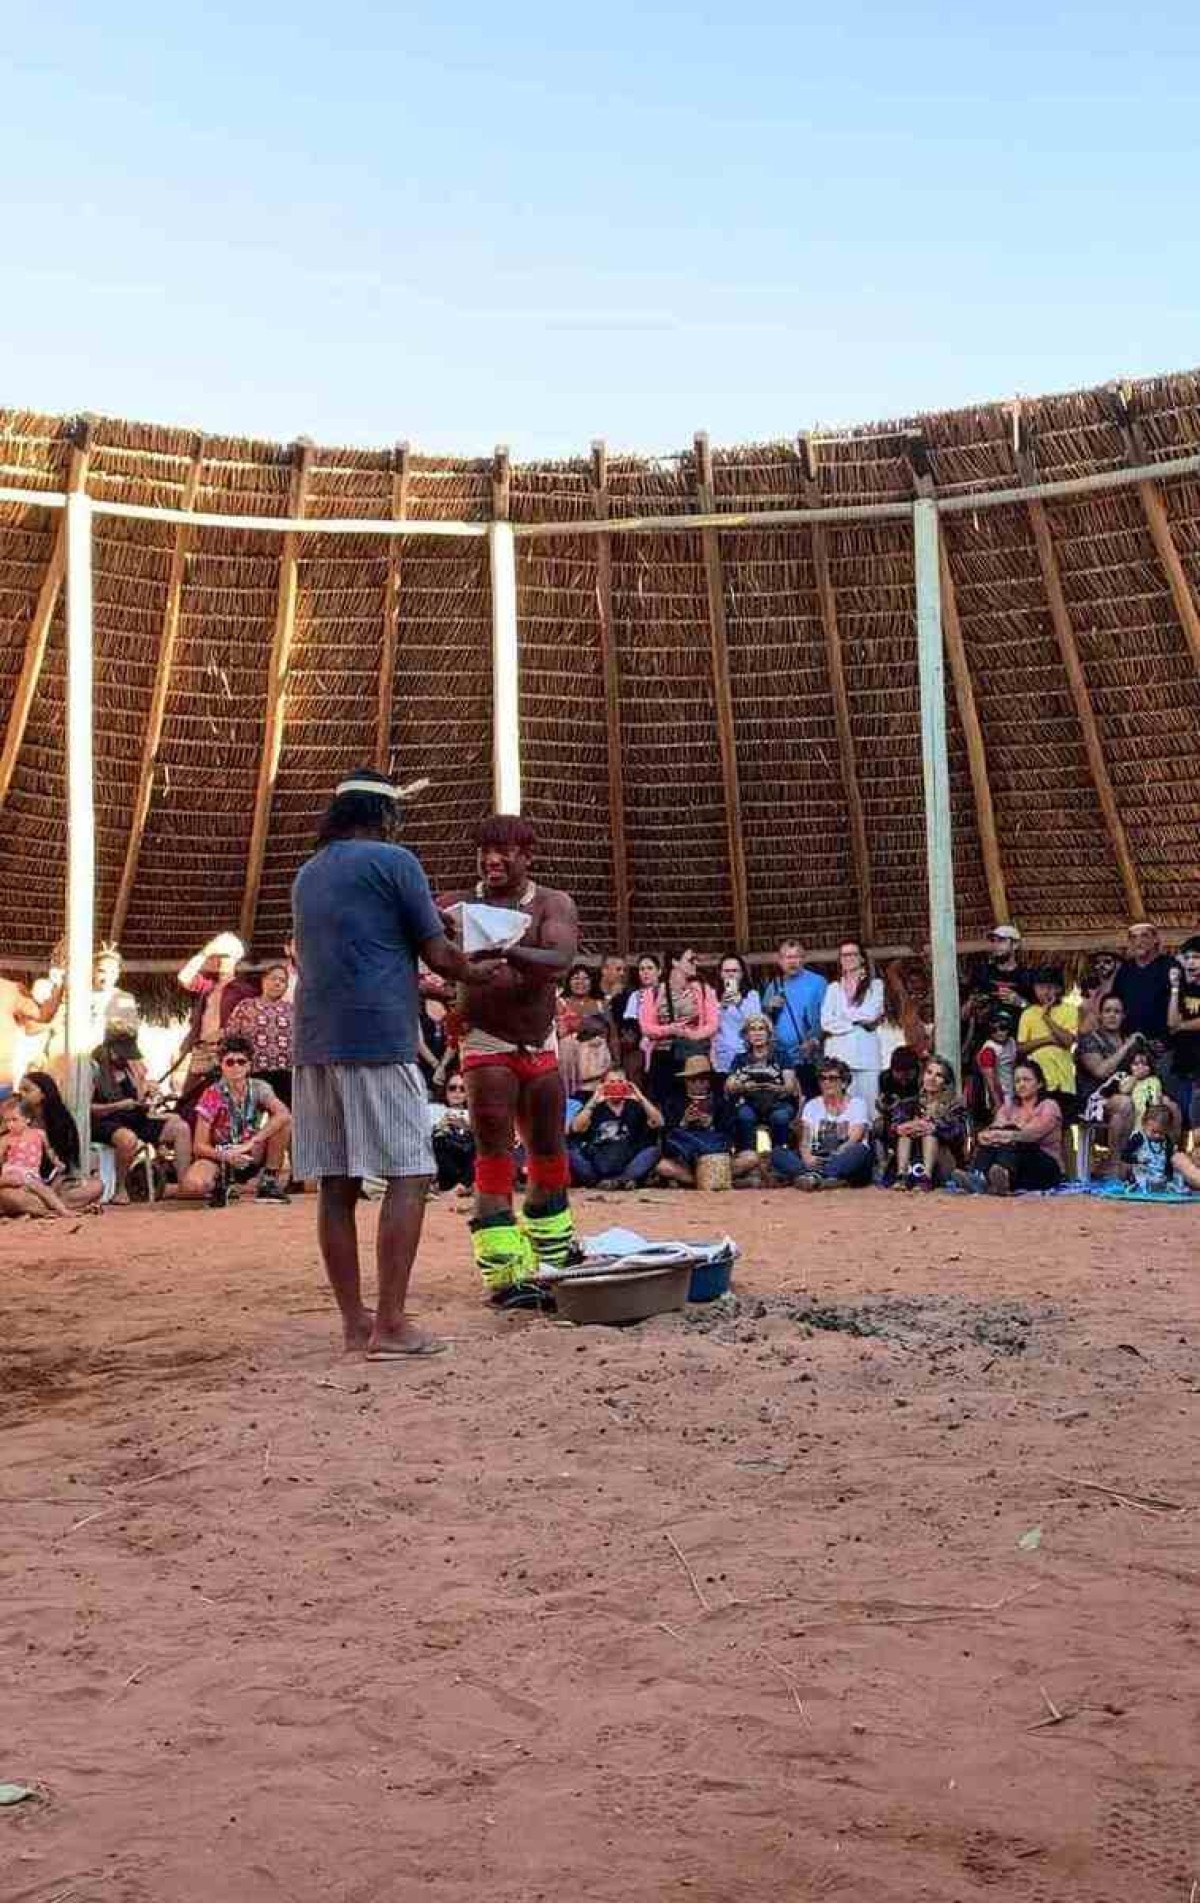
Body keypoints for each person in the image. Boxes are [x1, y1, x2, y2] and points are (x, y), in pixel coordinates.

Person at [291, 770, 503, 1353]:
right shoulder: (396, 862)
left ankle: (354, 1322)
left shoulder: (309, 874)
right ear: (385, 817)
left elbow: (362, 955)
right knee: (410, 1172)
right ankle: (391, 1323)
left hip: (314, 1041)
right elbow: (438, 952)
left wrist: (426, 985)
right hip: (376, 1039)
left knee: (337, 1182)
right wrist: (475, 970)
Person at [440, 812, 581, 1298]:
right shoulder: (457, 906)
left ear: (527, 856)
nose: (491, 859)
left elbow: (559, 961)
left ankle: (556, 1257)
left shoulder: (551, 904)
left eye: (504, 851)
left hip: (539, 1039)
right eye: (485, 850)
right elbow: (422, 950)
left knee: (548, 1149)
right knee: (494, 1149)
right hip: (486, 1040)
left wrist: (500, 946)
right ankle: (503, 1271)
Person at [175, 1035, 292, 1206]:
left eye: (241, 1061)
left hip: (250, 1151)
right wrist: (226, 1155)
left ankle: (269, 1181)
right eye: (230, 1062)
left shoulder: (259, 1087)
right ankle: (220, 1185)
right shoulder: (212, 1094)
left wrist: (252, 1142)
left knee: (284, 1122)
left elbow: (283, 1113)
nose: (236, 1067)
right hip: (221, 1155)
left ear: (249, 1065)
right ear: (221, 1065)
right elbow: (199, 1146)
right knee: (194, 1185)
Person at [91, 1028, 193, 1202]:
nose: (126, 1058)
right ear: (110, 1049)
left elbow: (139, 1098)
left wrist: (147, 1091)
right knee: (127, 1139)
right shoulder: (94, 1069)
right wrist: (116, 1106)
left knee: (180, 1128)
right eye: (122, 1054)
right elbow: (88, 1108)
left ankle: (185, 1185)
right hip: (106, 1121)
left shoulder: (130, 1067)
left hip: (134, 1117)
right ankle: (120, 1189)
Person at [0, 1072, 104, 1216]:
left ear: (44, 1094)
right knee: (10, 1196)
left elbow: (64, 1165)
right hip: (16, 1184)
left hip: (49, 1185)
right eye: (20, 1090)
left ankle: (45, 1207)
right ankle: (57, 1208)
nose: (22, 1094)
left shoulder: (62, 1123)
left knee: (96, 1186)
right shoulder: (10, 1121)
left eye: (27, 1090)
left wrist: (55, 1183)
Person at [955, 1058, 1063, 1195]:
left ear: (1039, 1083)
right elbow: (993, 1130)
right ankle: (980, 1177)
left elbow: (1030, 1135)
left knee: (1014, 1138)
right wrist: (986, 1136)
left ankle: (1001, 1177)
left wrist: (1006, 1134)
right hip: (1017, 1168)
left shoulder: (1049, 1106)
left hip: (1044, 1166)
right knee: (995, 1141)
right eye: (1017, 1081)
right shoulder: (1009, 1107)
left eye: (1026, 1080)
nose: (1021, 1085)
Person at [639, 947, 719, 1121]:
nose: (695, 963)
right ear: (675, 962)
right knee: (666, 1104)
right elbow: (646, 1027)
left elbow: (713, 1024)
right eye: (690, 959)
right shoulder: (652, 993)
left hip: (694, 1055)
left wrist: (693, 1035)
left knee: (696, 1102)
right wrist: (670, 1029)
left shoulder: (704, 990)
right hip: (663, 1056)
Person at [177, 933, 258, 1099]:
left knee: (226, 1098)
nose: (221, 961)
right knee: (189, 1098)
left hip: (227, 1050)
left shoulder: (245, 990)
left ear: (235, 960)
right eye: (219, 957)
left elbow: (251, 1022)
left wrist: (225, 1032)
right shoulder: (207, 987)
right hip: (202, 1048)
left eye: (226, 957)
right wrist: (206, 952)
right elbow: (184, 977)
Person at [775, 1057, 872, 1190]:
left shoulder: (857, 1104)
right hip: (817, 1158)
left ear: (844, 1083)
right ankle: (826, 1179)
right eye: (822, 1078)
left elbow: (854, 1138)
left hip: (843, 1156)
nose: (826, 1082)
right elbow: (805, 1139)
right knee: (778, 1153)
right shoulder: (812, 1105)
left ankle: (813, 1177)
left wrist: (834, 1157)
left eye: (832, 1078)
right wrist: (807, 1157)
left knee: (860, 1150)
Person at [724, 1013, 799, 1180]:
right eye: (752, 1029)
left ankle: (780, 1163)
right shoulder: (740, 1059)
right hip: (750, 1101)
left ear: (769, 1033)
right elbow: (729, 1086)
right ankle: (749, 1163)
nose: (757, 1033)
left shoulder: (781, 1056)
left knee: (780, 1116)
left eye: (761, 1029)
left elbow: (790, 1086)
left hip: (777, 1101)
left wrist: (774, 1087)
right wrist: (743, 1086)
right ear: (746, 1035)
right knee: (744, 1115)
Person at [1076, 995, 1141, 1173]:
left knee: (1168, 1106)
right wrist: (1126, 1046)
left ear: (1123, 1016)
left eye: (1117, 1011)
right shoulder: (1090, 1039)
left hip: (1127, 1094)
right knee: (1124, 1104)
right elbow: (1100, 1071)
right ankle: (1116, 1164)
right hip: (1094, 1099)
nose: (1112, 1015)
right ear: (1100, 1015)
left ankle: (1159, 1165)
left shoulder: (1130, 1040)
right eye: (1107, 1011)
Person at [568, 1068, 664, 1188]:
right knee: (571, 1153)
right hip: (597, 1163)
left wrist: (640, 1097)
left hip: (628, 1161)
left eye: (620, 1082)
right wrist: (594, 1099)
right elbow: (576, 1128)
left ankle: (620, 1180)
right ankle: (612, 1182)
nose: (616, 1086)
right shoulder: (594, 1106)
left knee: (653, 1151)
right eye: (611, 1082)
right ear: (603, 1085)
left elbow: (659, 1122)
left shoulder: (635, 1106)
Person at [821, 940, 885, 1115]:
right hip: (840, 1056)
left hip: (867, 1058)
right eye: (844, 955)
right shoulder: (833, 988)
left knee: (870, 1110)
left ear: (862, 958)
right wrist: (856, 1023)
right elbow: (826, 1022)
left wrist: (841, 1020)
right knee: (841, 1109)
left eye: (853, 954)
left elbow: (871, 1014)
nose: (848, 958)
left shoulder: (875, 985)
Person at [890, 1054, 970, 1190]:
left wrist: (934, 1127)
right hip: (912, 1158)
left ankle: (926, 1178)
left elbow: (959, 1132)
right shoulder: (909, 1103)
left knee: (930, 1133)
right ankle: (901, 1177)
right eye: (929, 1073)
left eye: (939, 1075)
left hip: (943, 1160)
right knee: (906, 1131)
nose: (932, 1078)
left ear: (946, 1082)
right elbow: (893, 1126)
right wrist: (906, 1126)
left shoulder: (955, 1106)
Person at [654, 1056, 731, 1187]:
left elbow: (729, 1130)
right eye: (693, 1080)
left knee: (750, 1158)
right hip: (686, 1155)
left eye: (702, 1080)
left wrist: (710, 1123)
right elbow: (666, 1131)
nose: (698, 1084)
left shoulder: (720, 1101)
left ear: (709, 1081)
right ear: (685, 1081)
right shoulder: (673, 1101)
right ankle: (709, 1179)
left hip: (714, 1154)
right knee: (663, 1167)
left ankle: (703, 1179)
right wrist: (684, 1122)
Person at [760, 939, 824, 1093]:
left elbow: (827, 1016)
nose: (792, 962)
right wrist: (769, 1008)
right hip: (781, 1058)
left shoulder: (818, 982)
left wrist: (815, 1040)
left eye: (796, 957)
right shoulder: (774, 985)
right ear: (780, 961)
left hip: (808, 1056)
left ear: (804, 958)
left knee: (810, 1101)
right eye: (787, 957)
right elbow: (762, 1021)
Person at [227, 962, 294, 1107]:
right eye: (273, 978)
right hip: (254, 1073)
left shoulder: (292, 1010)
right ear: (263, 981)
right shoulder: (246, 1006)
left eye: (282, 981)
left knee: (285, 1117)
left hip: (284, 1074)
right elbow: (231, 1036)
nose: (277, 983)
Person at [1017, 968, 1079, 1123]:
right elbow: (1021, 1048)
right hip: (1037, 1083)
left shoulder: (1069, 1010)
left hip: (1063, 1081)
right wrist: (1048, 1040)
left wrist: (1046, 1017)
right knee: (1038, 1122)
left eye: (1050, 987)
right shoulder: (1029, 1013)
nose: (1045, 992)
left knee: (1064, 1125)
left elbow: (1067, 1041)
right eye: (1041, 987)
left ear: (1058, 989)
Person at [0, 1100, 73, 1216]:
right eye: (7, 1121)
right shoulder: (5, 1139)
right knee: (16, 1182)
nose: (10, 1125)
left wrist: (57, 1162)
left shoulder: (39, 1134)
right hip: (12, 1171)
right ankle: (54, 1211)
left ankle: (61, 1210)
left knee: (43, 1189)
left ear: (27, 1119)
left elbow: (49, 1150)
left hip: (31, 1173)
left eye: (14, 1120)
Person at [1110, 923, 1176, 1050]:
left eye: (1144, 936)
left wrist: (1167, 1040)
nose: (1138, 942)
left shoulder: (1170, 966)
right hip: (1131, 1046)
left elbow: (1181, 1005)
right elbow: (1116, 1005)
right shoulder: (1125, 970)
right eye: (1133, 938)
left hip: (1164, 1047)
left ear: (1155, 939)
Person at [1120, 1101, 1200, 1194]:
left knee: (1177, 1178)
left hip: (1161, 1174)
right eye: (1153, 1131)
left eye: (1161, 1133)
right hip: (1142, 1173)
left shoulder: (1166, 1142)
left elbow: (1168, 1163)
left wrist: (1168, 1177)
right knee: (1140, 1180)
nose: (1157, 1136)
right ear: (1144, 1124)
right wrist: (1137, 1159)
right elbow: (1124, 1156)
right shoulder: (1138, 1138)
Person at [872, 1045, 922, 1182]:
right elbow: (884, 1104)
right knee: (877, 1127)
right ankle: (881, 1163)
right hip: (894, 1118)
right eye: (899, 1073)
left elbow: (923, 1102)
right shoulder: (885, 1078)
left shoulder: (923, 1078)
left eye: (908, 1074)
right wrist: (882, 1106)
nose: (903, 1078)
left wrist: (904, 1102)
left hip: (917, 1117)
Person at [1166, 937, 1200, 1139]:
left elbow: (1177, 1025)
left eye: (1196, 957)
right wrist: (1175, 987)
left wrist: (1182, 1026)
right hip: (1183, 1062)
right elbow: (1171, 1022)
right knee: (1179, 1116)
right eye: (1187, 958)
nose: (1191, 962)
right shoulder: (1181, 990)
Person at [712, 954, 762, 1084]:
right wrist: (721, 1006)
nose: (730, 975)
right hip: (722, 1056)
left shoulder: (752, 995)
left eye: (735, 971)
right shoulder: (712, 995)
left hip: (745, 1053)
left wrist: (740, 1004)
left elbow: (756, 1023)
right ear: (720, 973)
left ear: (742, 974)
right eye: (726, 971)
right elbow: (710, 1025)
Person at [878, 959, 932, 1067]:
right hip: (912, 1056)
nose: (914, 985)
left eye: (917, 981)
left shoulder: (934, 998)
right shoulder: (907, 1003)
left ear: (925, 981)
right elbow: (891, 973)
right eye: (911, 982)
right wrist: (909, 957)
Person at [430, 1068, 476, 1194]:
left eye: (462, 1089)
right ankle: (462, 1186)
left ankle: (462, 1186)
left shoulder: (474, 1113)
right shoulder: (433, 1110)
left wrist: (466, 1126)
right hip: (444, 1157)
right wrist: (441, 1125)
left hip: (467, 1156)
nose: (457, 1092)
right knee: (439, 1138)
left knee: (480, 1143)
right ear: (445, 1090)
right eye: (452, 1088)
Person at [621, 954, 662, 1086]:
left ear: (659, 971)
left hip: (665, 1046)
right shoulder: (636, 996)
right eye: (641, 969)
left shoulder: (668, 993)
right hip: (642, 1048)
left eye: (650, 968)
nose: (645, 972)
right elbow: (630, 1023)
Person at [973, 1004, 1019, 1118]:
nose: (999, 1032)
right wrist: (998, 1103)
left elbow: (1014, 1066)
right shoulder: (989, 1050)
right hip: (1000, 1096)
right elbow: (991, 1080)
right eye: (994, 1029)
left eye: (1003, 1028)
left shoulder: (1011, 1042)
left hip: (1014, 1092)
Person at [557, 962, 602, 1041]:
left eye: (585, 978)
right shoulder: (560, 1003)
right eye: (576, 978)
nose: (581, 982)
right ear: (568, 982)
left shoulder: (600, 1005)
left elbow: (611, 1034)